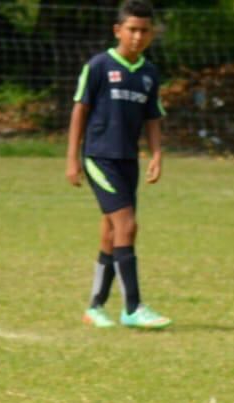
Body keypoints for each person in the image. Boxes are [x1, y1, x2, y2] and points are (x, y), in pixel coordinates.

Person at [66, 0, 172, 330]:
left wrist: (156, 154)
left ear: (152, 34)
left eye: (144, 31)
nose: (138, 37)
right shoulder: (98, 66)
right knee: (128, 226)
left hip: (128, 161)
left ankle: (95, 306)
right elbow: (79, 110)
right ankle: (133, 306)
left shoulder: (149, 74)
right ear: (118, 31)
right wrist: (72, 158)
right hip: (100, 157)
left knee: (112, 232)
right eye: (132, 30)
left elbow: (153, 118)